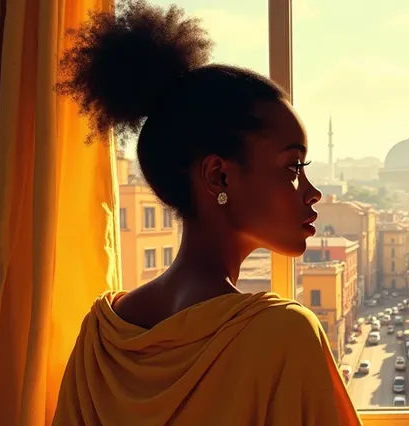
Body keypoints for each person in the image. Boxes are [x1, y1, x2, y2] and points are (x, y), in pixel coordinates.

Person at [51, 1, 361, 425]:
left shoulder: (100, 338)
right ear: (218, 176)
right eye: (292, 167)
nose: (313, 193)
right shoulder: (284, 335)